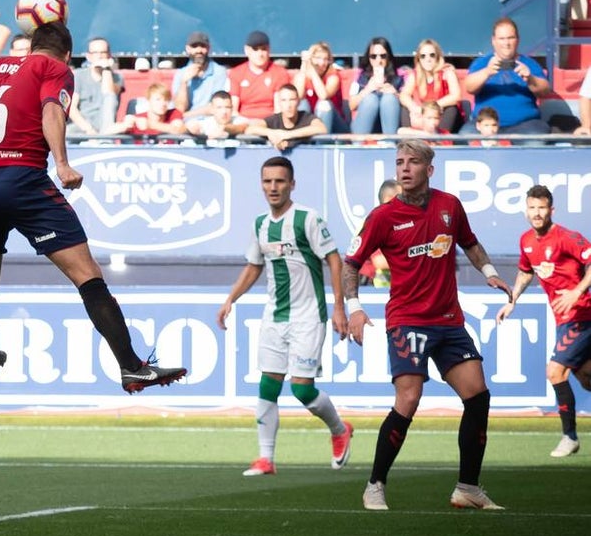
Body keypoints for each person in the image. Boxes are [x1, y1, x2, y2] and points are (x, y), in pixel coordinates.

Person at [0, 21, 187, 393]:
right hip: (24, 180)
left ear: (30, 47)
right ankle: (131, 366)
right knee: (87, 276)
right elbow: (51, 111)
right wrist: (61, 162)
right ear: (67, 53)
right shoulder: (55, 69)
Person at [343, 139, 510, 512]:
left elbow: (470, 242)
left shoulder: (449, 205)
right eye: (399, 161)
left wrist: (490, 272)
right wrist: (354, 308)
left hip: (449, 320)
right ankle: (375, 485)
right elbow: (351, 263)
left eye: (412, 162)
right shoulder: (383, 216)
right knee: (410, 398)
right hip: (407, 320)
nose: (403, 168)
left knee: (478, 397)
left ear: (428, 170)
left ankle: (467, 488)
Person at [217, 156, 352, 476]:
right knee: (268, 385)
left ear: (292, 184)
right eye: (267, 181)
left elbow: (334, 260)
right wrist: (230, 299)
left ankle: (339, 429)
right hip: (274, 317)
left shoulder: (308, 218)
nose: (273, 187)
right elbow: (254, 266)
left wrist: (339, 306)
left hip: (308, 316)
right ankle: (266, 458)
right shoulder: (260, 224)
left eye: (280, 181)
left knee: (303, 389)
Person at [497, 185, 591, 458]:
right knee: (585, 377)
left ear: (552, 210)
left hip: (582, 316)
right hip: (564, 320)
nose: (537, 213)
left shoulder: (566, 238)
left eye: (542, 208)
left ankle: (569, 437)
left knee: (555, 372)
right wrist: (512, 300)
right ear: (526, 210)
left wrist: (576, 292)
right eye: (532, 208)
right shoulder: (526, 240)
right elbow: (526, 273)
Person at [460, 17, 550, 136]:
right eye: (501, 39)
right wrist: (486, 72)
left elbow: (545, 91)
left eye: (510, 38)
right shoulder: (482, 62)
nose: (506, 43)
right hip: (485, 126)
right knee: (466, 136)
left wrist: (530, 79)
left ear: (517, 40)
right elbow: (469, 87)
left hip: (525, 125)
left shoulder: (529, 63)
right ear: (493, 40)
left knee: (535, 141)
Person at [229, 29, 293, 122]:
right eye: (255, 49)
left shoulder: (279, 73)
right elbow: (233, 109)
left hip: (270, 122)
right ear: (247, 50)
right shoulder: (236, 73)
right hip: (243, 121)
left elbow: (278, 109)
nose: (260, 54)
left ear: (269, 50)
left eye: (264, 49)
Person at [401, 39, 463, 132]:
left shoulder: (447, 72)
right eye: (423, 56)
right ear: (419, 59)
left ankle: (440, 140)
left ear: (438, 57)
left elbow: (456, 96)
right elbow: (404, 95)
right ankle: (410, 140)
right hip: (423, 115)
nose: (428, 59)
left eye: (432, 55)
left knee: (452, 109)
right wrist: (414, 108)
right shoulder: (415, 74)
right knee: (405, 108)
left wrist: (431, 108)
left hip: (440, 114)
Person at [349, 36, 405, 136]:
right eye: (373, 56)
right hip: (362, 126)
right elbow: (351, 105)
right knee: (370, 99)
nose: (378, 60)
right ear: (368, 57)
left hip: (390, 126)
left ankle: (389, 142)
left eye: (382, 56)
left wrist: (395, 94)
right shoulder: (360, 76)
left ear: (388, 56)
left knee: (389, 99)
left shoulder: (399, 77)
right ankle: (359, 145)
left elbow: (407, 102)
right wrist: (368, 89)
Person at [245, 83, 328, 149]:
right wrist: (273, 134)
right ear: (279, 103)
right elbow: (250, 129)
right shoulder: (275, 119)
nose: (288, 105)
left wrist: (287, 135)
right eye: (284, 100)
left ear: (298, 101)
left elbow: (321, 128)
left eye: (292, 100)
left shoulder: (306, 117)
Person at [68, 35, 123, 135]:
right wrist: (88, 129)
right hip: (83, 126)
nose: (100, 56)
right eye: (95, 52)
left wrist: (106, 69)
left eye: (103, 52)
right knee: (64, 133)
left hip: (107, 126)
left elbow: (109, 96)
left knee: (110, 98)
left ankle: (105, 141)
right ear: (89, 56)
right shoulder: (78, 75)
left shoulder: (117, 78)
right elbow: (72, 108)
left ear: (109, 55)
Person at [172, 30, 229, 124]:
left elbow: (215, 107)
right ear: (188, 49)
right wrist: (184, 83)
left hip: (211, 122)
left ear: (208, 48)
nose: (199, 50)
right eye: (194, 46)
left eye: (202, 46)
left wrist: (187, 115)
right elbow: (180, 109)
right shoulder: (181, 74)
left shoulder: (219, 72)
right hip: (186, 124)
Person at [293, 41, 345, 133]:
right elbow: (299, 96)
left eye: (326, 59)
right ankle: (303, 141)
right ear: (311, 59)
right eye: (318, 58)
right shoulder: (302, 76)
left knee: (324, 105)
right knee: (301, 104)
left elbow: (323, 96)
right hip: (311, 121)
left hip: (334, 124)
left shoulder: (333, 76)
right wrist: (304, 65)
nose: (322, 62)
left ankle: (321, 143)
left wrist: (313, 72)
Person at [108, 81, 186, 138]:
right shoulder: (138, 118)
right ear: (148, 100)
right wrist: (125, 125)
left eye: (166, 100)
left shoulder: (174, 114)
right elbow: (107, 132)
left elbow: (179, 130)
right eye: (158, 99)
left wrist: (150, 125)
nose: (162, 104)